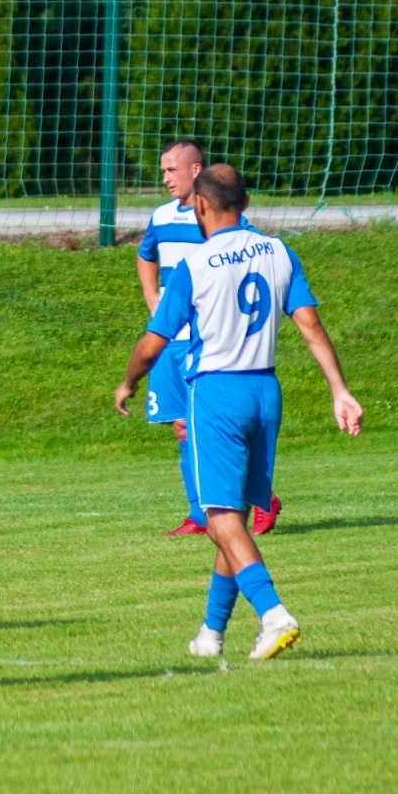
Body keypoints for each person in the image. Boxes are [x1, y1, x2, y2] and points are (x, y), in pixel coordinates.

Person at [115, 164, 361, 661]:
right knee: (238, 517)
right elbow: (310, 325)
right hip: (265, 391)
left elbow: (153, 342)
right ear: (245, 204)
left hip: (218, 391)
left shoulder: (197, 265)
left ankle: (274, 613)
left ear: (200, 206)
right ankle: (210, 634)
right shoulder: (278, 251)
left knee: (220, 516)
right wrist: (340, 389)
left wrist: (128, 382)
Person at [139, 141, 281, 537]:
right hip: (169, 336)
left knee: (206, 426)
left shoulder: (218, 216)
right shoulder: (161, 216)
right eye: (163, 170)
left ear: (196, 170)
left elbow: (248, 252)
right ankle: (198, 515)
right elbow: (145, 253)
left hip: (207, 340)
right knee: (182, 426)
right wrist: (153, 297)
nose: (165, 177)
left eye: (172, 170)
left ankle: (257, 496)